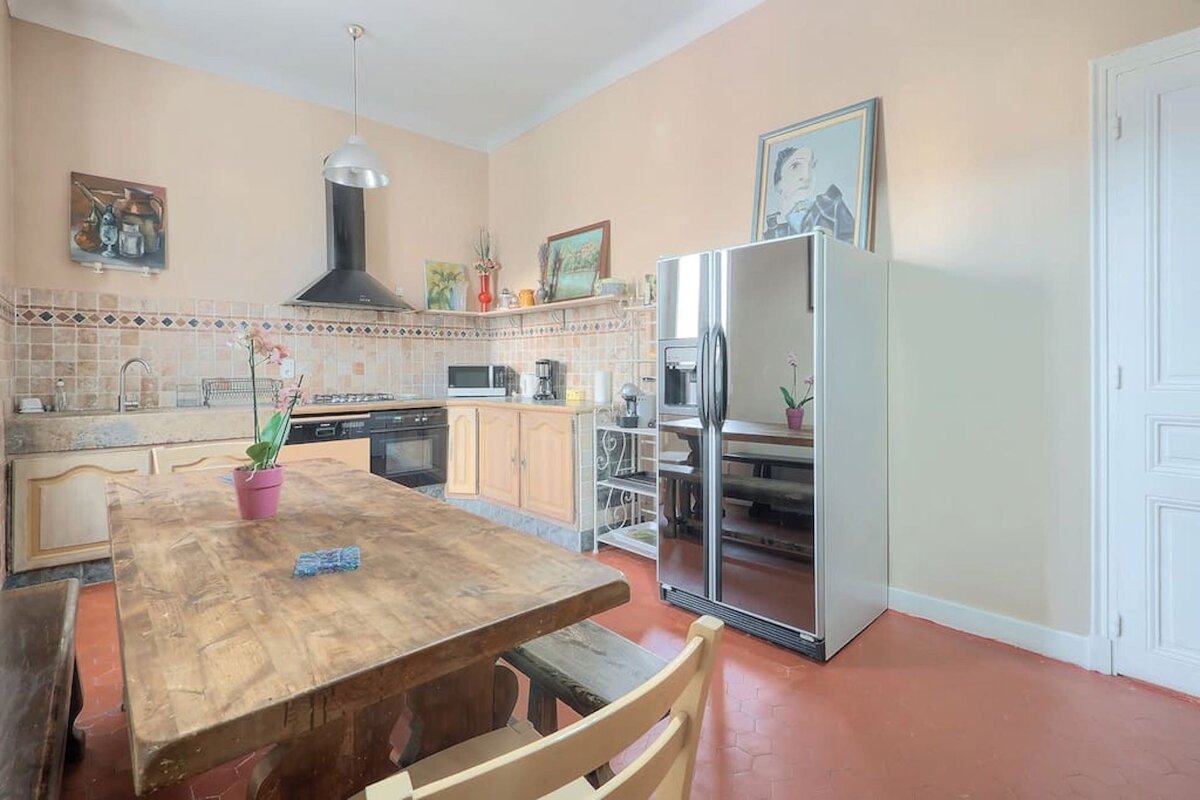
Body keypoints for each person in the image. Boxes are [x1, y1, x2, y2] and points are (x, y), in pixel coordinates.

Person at [761, 145, 855, 243]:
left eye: (812, 165)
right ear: (778, 183)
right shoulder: (771, 231)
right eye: (795, 166)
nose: (806, 176)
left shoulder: (832, 208)